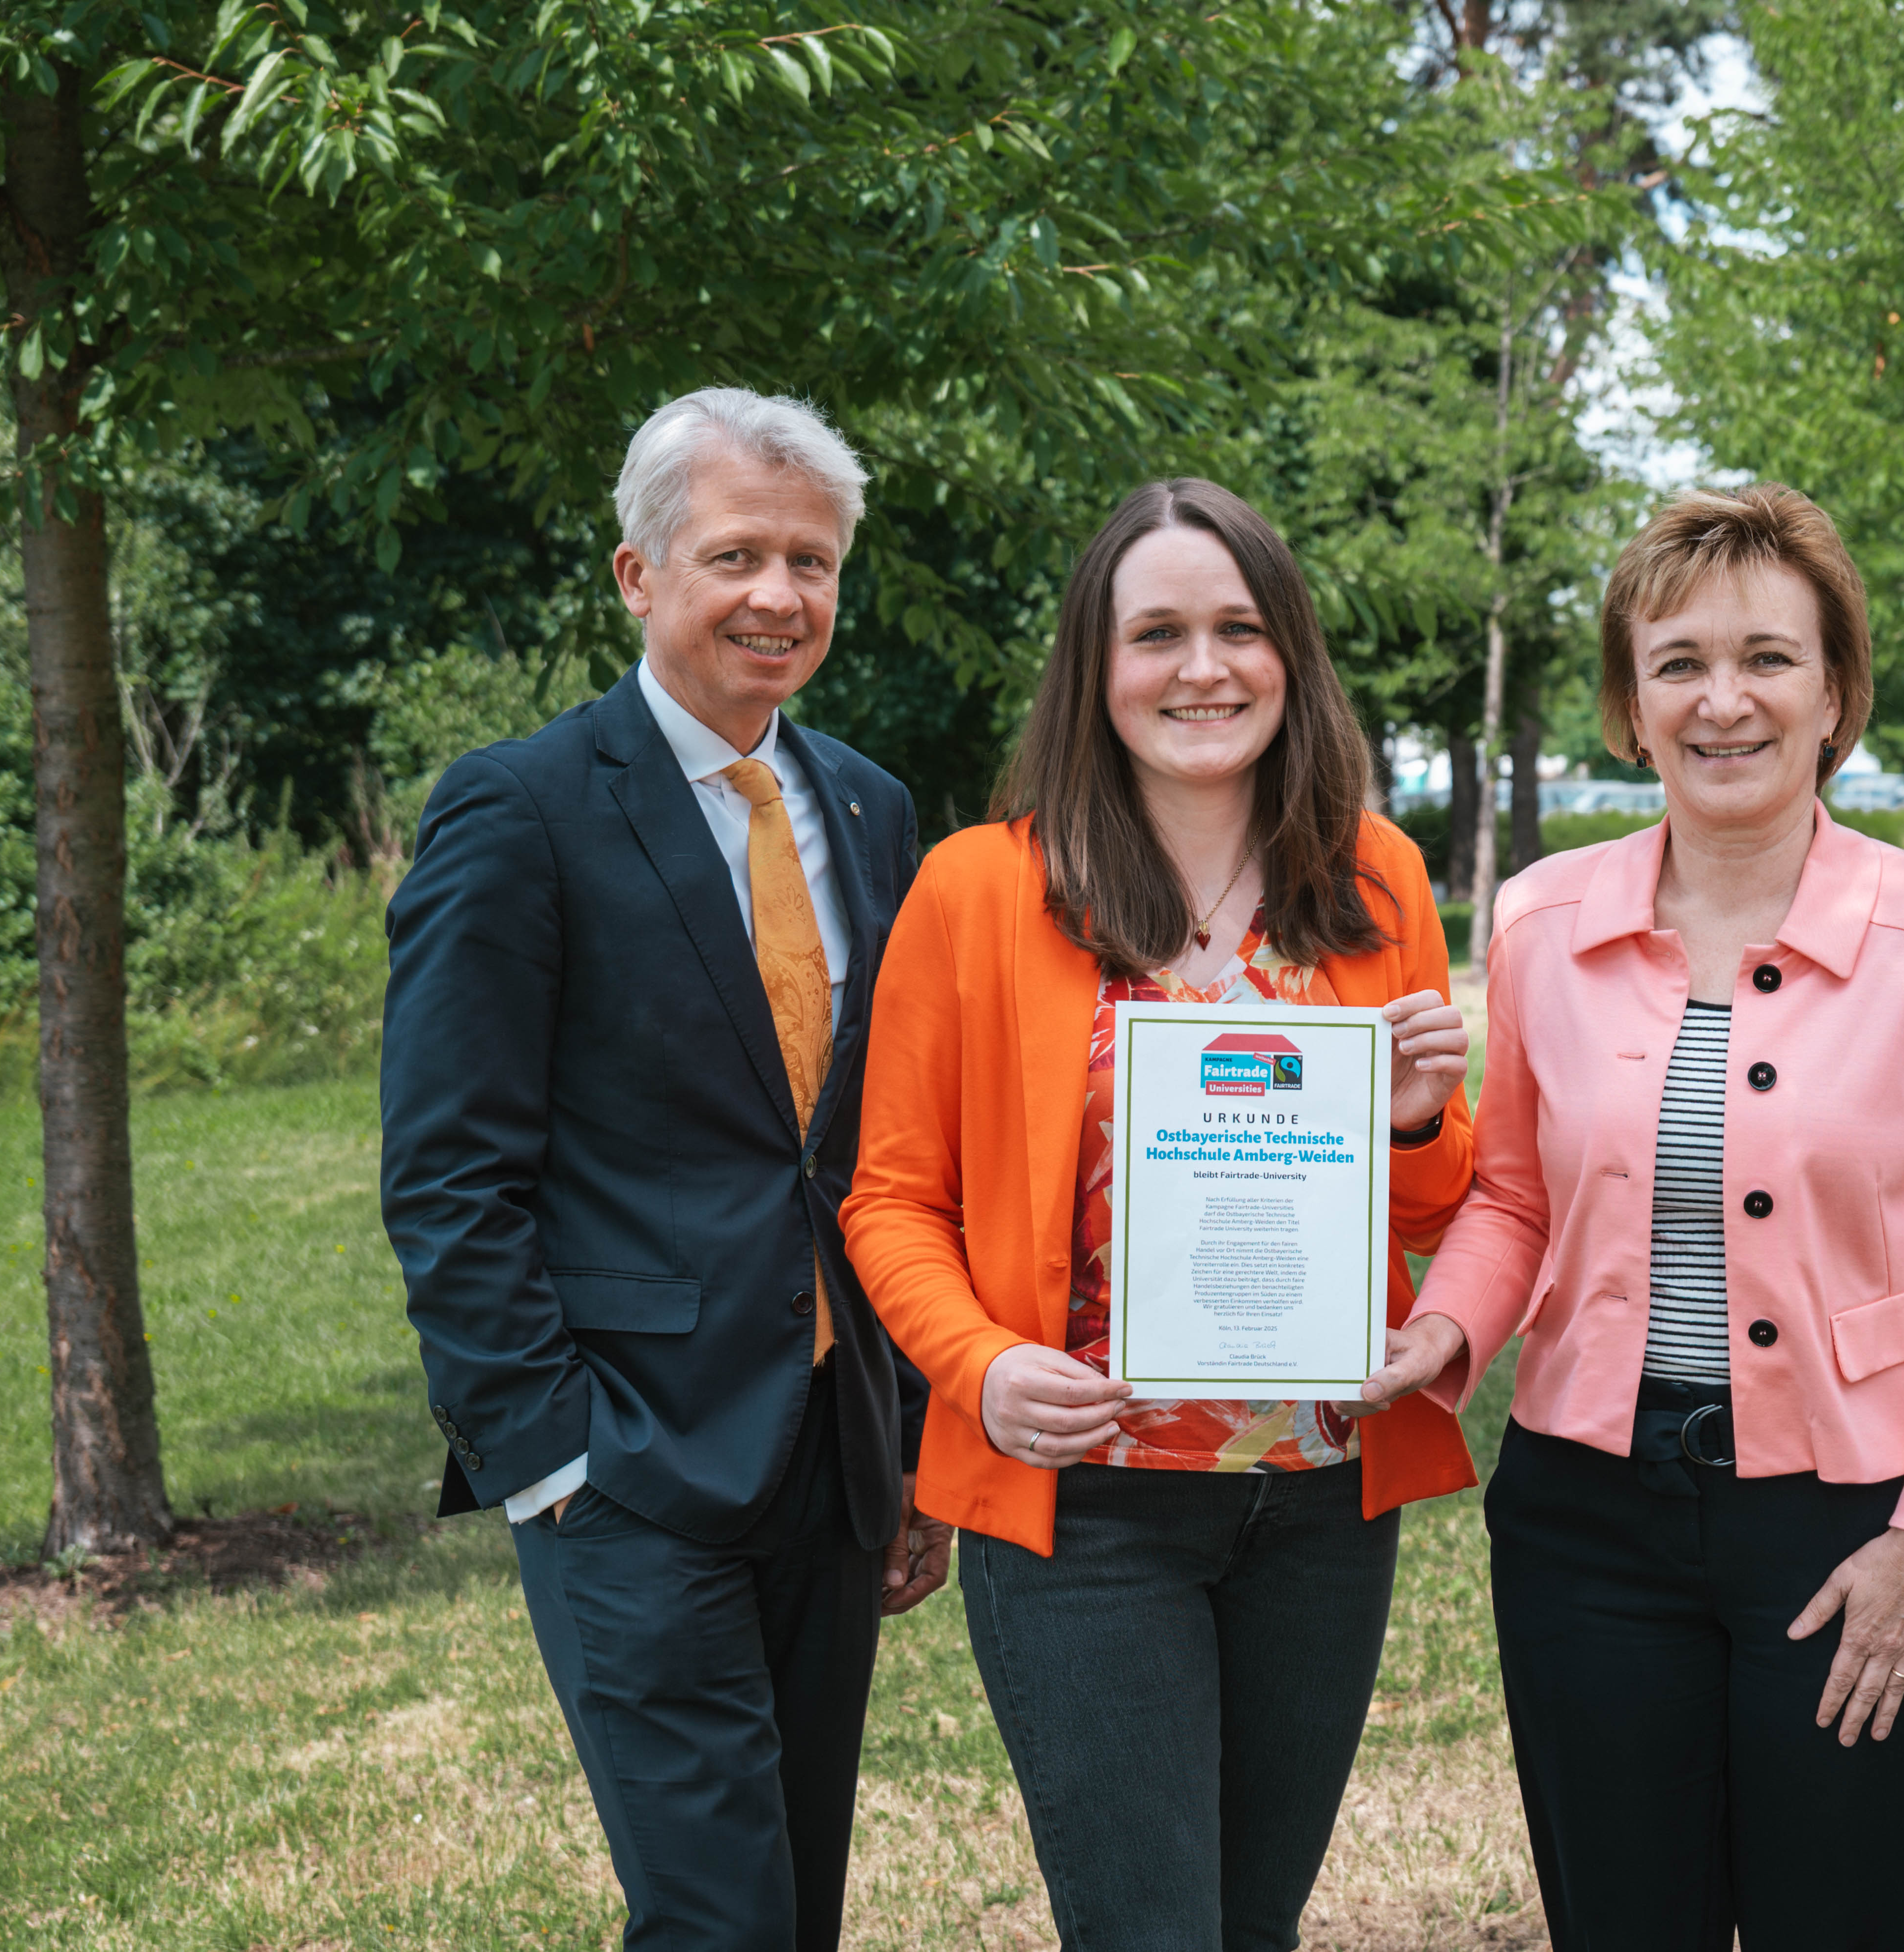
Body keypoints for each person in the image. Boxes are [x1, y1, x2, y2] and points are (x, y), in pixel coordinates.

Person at [1364, 485, 1904, 1951]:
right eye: (1678, 662)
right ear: (1632, 706)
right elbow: (1517, 1196)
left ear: (1836, 693)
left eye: (1768, 658)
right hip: (1586, 1521)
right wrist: (1440, 1331)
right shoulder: (1541, 923)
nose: (1722, 700)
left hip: (1854, 1521)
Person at [838, 477, 1478, 1952]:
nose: (1204, 668)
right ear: (1097, 662)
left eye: (1240, 628)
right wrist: (981, 1367)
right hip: (1087, 1501)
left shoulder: (1373, 875)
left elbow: (1434, 1205)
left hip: (1319, 1503)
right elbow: (892, 1199)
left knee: (1253, 1927)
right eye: (1159, 634)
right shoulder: (980, 888)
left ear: (1291, 652)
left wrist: (1412, 1118)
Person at [382, 387, 948, 1950]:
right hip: (626, 1464)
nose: (781, 595)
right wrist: (549, 1454)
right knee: (719, 1918)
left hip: (834, 1461)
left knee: (797, 1908)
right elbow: (447, 1172)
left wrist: (906, 1437)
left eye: (812, 561)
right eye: (737, 554)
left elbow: (878, 1155)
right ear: (639, 576)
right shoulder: (520, 808)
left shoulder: (870, 807)